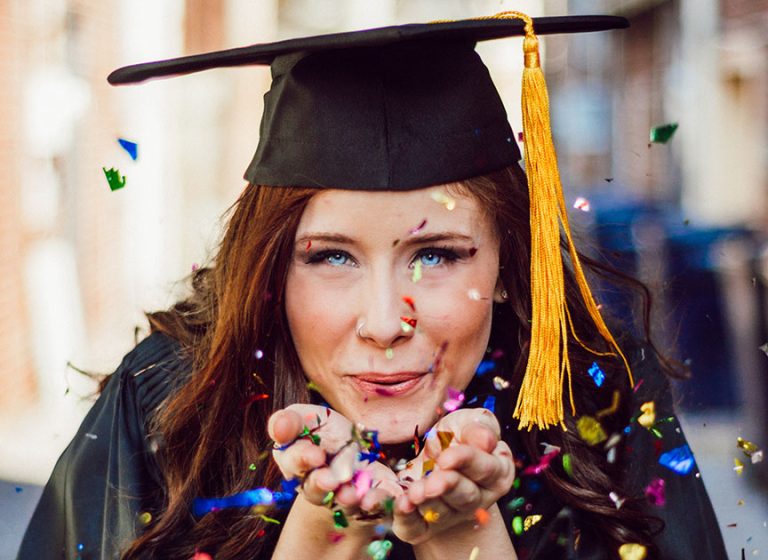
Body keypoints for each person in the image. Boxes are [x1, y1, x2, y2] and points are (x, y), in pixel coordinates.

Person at [18, 11, 728, 560]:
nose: (385, 322)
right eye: (331, 258)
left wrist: (464, 539)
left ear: (511, 267)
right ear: (270, 270)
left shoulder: (593, 387)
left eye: (439, 255)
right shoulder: (169, 407)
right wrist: (324, 538)